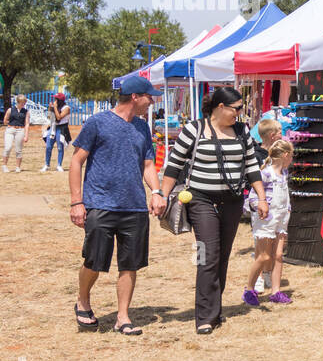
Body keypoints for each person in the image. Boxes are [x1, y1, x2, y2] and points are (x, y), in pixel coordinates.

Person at [160, 87, 268, 335]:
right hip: (200, 200)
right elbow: (174, 164)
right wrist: (162, 196)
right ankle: (205, 317)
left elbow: (252, 166)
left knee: (222, 254)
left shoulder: (241, 131)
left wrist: (261, 197)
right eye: (237, 109)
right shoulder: (195, 129)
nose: (240, 114)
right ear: (221, 107)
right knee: (206, 254)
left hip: (231, 201)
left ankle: (214, 308)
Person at [67, 76, 167, 334]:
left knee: (130, 264)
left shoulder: (143, 127)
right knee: (94, 261)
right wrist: (77, 202)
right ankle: (83, 300)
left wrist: (156, 192)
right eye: (149, 96)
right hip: (100, 204)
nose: (152, 100)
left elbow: (147, 164)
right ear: (135, 97)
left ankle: (123, 317)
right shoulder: (98, 123)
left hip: (133, 207)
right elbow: (77, 161)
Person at [244, 139, 293, 306]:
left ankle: (276, 291)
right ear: (286, 155)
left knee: (278, 255)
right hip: (267, 219)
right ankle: (249, 288)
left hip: (281, 218)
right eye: (291, 156)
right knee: (264, 256)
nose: (292, 159)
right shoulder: (265, 173)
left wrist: (287, 209)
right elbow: (252, 197)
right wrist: (259, 206)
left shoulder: (284, 174)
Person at [42, 92, 72, 172]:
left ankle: (59, 165)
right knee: (48, 146)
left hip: (61, 128)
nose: (55, 100)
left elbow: (59, 117)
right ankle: (47, 164)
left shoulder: (66, 108)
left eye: (56, 99)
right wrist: (50, 108)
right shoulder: (55, 106)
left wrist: (54, 107)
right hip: (53, 127)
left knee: (60, 147)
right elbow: (50, 117)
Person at [2, 93, 31, 172]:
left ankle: (18, 167)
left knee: (18, 149)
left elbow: (27, 123)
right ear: (18, 101)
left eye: (24, 102)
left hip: (20, 130)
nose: (23, 104)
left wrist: (26, 135)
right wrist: (9, 123)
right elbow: (5, 120)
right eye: (22, 102)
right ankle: (4, 165)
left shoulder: (26, 112)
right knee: (8, 147)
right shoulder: (10, 110)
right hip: (10, 130)